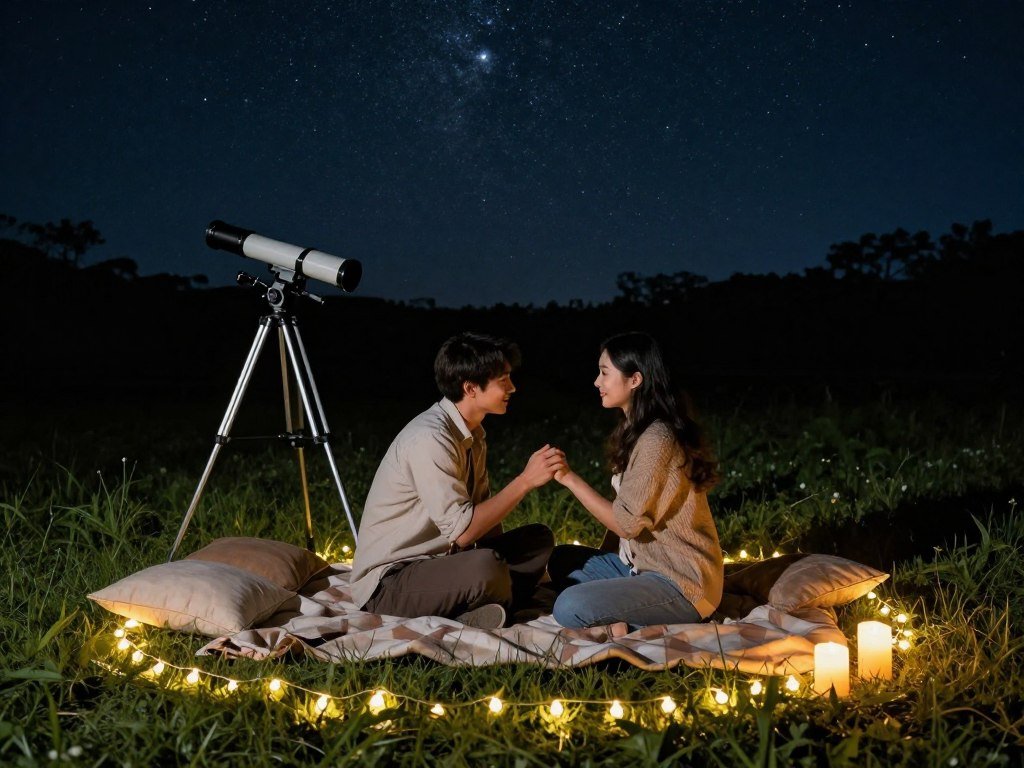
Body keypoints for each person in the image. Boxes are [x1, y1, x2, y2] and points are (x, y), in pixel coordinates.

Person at [349, 332, 563, 629]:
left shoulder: (472, 434)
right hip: (390, 583)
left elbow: (484, 519)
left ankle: (490, 599)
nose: (512, 388)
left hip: (440, 563)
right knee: (486, 568)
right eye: (503, 381)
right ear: (471, 388)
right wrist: (525, 481)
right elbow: (462, 532)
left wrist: (500, 552)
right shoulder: (430, 437)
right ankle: (483, 603)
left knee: (538, 540)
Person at [549, 332, 723, 631]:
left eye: (604, 373)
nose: (596, 382)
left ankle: (632, 620)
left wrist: (568, 478)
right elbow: (628, 515)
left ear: (635, 380)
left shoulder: (658, 438)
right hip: (641, 567)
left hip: (681, 582)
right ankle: (625, 610)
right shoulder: (638, 429)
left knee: (569, 606)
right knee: (562, 560)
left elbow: (627, 523)